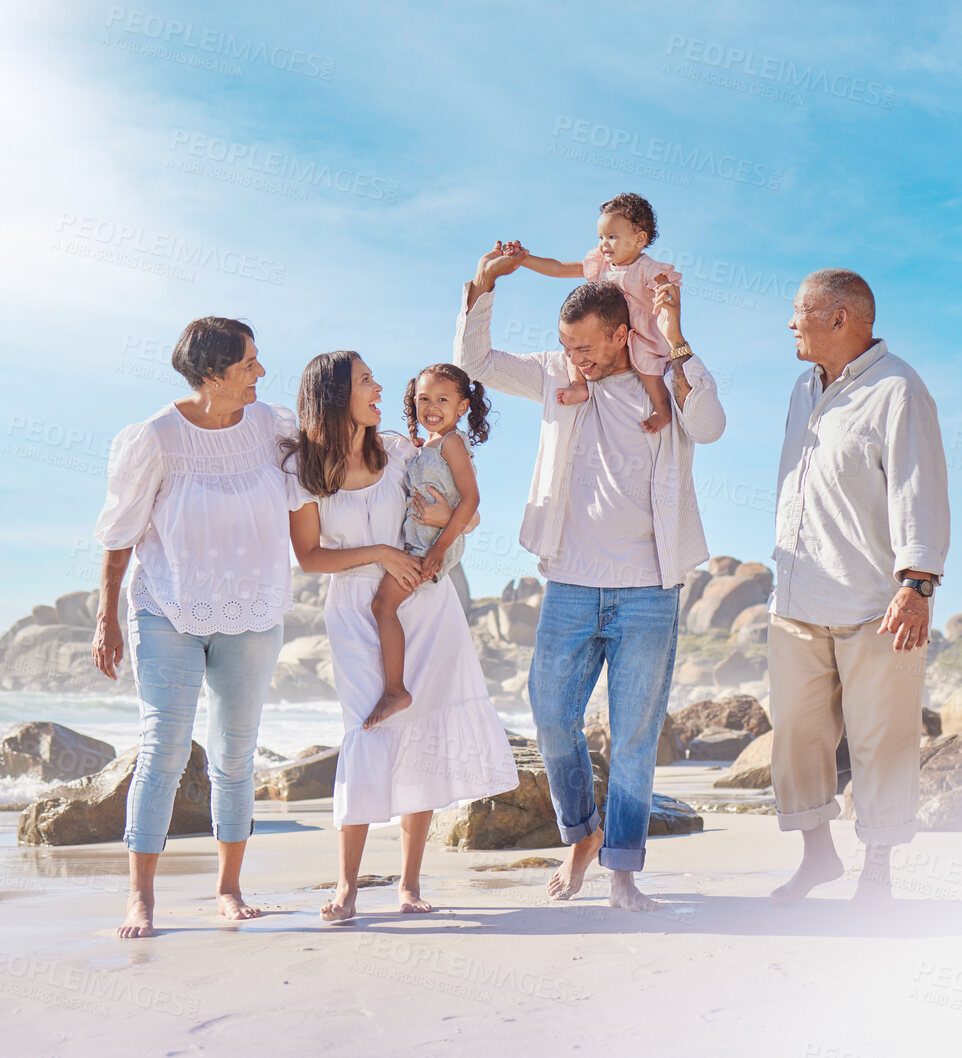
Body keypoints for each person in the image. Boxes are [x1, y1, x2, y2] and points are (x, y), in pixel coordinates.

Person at [455, 242, 725, 911]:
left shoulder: (664, 377)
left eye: (587, 349)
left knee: (633, 736)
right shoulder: (554, 378)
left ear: (621, 334)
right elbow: (475, 363)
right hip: (571, 582)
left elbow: (711, 425)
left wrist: (678, 339)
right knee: (550, 715)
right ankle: (582, 832)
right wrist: (484, 286)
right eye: (567, 347)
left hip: (649, 589)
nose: (576, 359)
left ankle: (623, 873)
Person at [283, 351, 517, 921]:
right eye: (366, 381)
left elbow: (466, 508)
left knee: (425, 735)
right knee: (366, 731)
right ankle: (347, 886)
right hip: (356, 608)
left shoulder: (400, 449)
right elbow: (310, 558)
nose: (381, 386)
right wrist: (381, 552)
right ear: (336, 396)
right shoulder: (305, 470)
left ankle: (409, 885)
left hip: (426, 602)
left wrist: (437, 527)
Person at [91, 316, 296, 939]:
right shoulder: (155, 437)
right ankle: (140, 898)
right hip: (167, 610)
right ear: (212, 373)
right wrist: (106, 618)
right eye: (248, 364)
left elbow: (337, 455)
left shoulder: (271, 426)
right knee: (164, 749)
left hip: (253, 613)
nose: (260, 372)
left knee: (235, 756)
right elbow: (119, 531)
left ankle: (229, 889)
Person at [765, 269, 950, 912]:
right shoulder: (800, 390)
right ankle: (818, 856)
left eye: (799, 312)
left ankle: (878, 873)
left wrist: (918, 585)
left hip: (877, 603)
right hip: (796, 602)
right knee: (794, 735)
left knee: (883, 741)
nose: (790, 323)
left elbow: (918, 489)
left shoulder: (899, 389)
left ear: (839, 318)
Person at [362, 364, 490, 730]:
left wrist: (438, 549)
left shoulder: (451, 443)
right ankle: (399, 689)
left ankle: (395, 690)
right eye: (424, 399)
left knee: (382, 604)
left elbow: (471, 499)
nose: (432, 406)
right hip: (422, 543)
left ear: (462, 406)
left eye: (443, 399)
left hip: (432, 546)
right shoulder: (429, 446)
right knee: (389, 607)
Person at [503, 192, 682, 432]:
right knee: (578, 348)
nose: (603, 243)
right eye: (600, 236)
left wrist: (664, 291)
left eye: (612, 237)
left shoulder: (645, 268)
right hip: (605, 329)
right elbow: (558, 267)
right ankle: (579, 385)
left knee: (646, 362)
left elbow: (663, 283)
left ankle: (662, 408)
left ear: (639, 239)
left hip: (638, 330)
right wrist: (524, 259)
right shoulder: (602, 264)